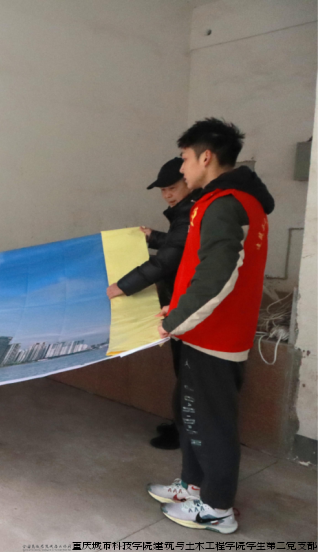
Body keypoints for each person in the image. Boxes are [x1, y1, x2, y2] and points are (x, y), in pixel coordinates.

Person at [147, 118, 274, 534]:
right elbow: (199, 268)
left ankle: (218, 508)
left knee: (211, 423)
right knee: (190, 415)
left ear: (206, 157)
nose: (182, 169)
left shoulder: (225, 204)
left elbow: (216, 276)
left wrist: (174, 320)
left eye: (184, 159)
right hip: (202, 332)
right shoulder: (225, 200)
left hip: (216, 337)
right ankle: (193, 485)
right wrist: (178, 314)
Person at [107, 157, 201, 450]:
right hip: (183, 301)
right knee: (185, 371)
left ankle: (185, 432)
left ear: (189, 180)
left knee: (190, 373)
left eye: (172, 188)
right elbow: (179, 244)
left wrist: (123, 286)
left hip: (190, 303)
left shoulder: (192, 212)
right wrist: (153, 237)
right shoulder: (187, 212)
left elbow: (167, 261)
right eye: (163, 191)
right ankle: (182, 425)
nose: (167, 195)